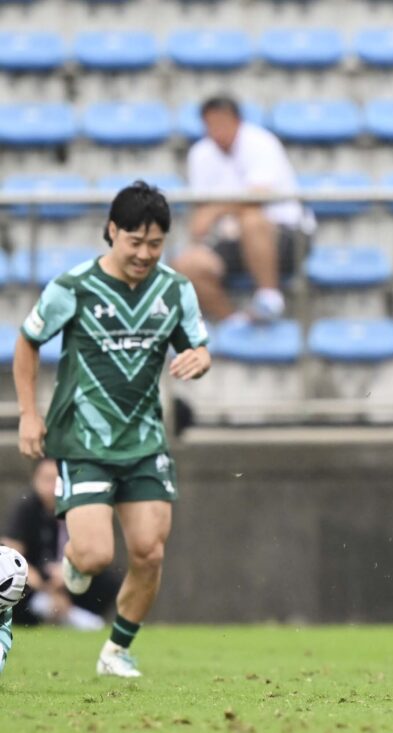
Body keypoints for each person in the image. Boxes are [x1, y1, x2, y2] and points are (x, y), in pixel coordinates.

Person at [14, 181, 211, 677]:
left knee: (149, 550)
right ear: (111, 231)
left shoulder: (175, 289)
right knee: (98, 554)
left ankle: (116, 650)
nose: (145, 253)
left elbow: (199, 347)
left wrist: (198, 358)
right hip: (84, 440)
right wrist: (30, 414)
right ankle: (80, 562)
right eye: (135, 241)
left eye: (155, 244)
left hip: (145, 440)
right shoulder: (74, 287)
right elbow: (28, 341)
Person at [173, 94, 312, 323]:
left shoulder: (261, 142)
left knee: (252, 219)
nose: (217, 131)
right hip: (230, 238)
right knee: (187, 266)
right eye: (211, 125)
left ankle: (269, 296)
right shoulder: (200, 154)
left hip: (285, 235)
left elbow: (257, 197)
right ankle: (234, 322)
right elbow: (201, 212)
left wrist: (215, 210)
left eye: (222, 123)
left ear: (237, 120)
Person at [3, 460, 120, 630]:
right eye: (47, 479)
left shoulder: (80, 507)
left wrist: (68, 574)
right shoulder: (26, 507)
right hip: (36, 581)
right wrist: (46, 588)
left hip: (70, 574)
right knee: (11, 581)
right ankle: (42, 616)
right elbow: (11, 555)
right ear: (35, 479)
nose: (52, 487)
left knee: (109, 578)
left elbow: (94, 549)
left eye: (58, 480)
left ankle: (75, 615)